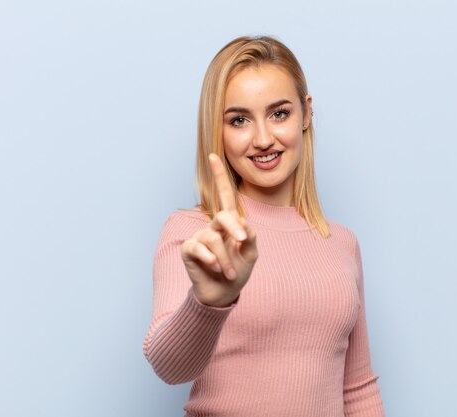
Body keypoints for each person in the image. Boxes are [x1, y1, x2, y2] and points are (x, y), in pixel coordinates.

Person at [143, 35, 385, 417]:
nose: (262, 139)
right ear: (217, 131)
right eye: (239, 120)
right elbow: (169, 368)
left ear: (306, 114)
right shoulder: (194, 233)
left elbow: (357, 390)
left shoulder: (341, 242)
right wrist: (211, 300)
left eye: (279, 113)